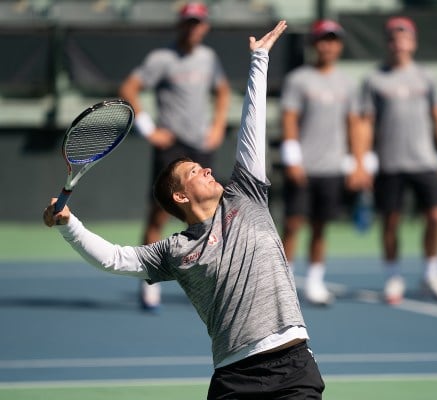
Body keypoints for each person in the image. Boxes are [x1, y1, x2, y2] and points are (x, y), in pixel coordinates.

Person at [44, 21, 325, 399]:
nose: (208, 168)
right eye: (195, 171)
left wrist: (259, 59)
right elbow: (115, 258)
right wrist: (68, 224)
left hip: (293, 366)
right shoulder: (174, 250)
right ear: (179, 197)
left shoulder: (247, 196)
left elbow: (251, 130)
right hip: (234, 377)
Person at [119, 2, 231, 311]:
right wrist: (148, 129)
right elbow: (129, 88)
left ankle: (214, 277)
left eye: (199, 23)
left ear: (205, 27)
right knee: (158, 214)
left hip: (201, 147)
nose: (194, 28)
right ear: (180, 25)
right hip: (171, 148)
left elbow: (222, 91)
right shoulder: (161, 58)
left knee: (211, 216)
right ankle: (148, 279)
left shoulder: (209, 59)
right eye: (189, 22)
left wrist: (218, 126)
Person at [360, 16, 437, 305]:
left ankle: (431, 273)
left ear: (413, 42)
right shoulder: (373, 79)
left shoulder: (426, 77)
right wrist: (363, 161)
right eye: (393, 37)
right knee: (390, 221)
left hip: (425, 161)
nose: (398, 42)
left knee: (436, 216)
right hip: (390, 163)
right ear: (387, 43)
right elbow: (366, 122)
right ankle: (393, 277)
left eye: (404, 37)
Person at [279, 19, 364, 306]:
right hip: (303, 167)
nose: (328, 45)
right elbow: (289, 119)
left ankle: (315, 282)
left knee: (320, 226)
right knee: (292, 224)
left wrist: (357, 162)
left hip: (332, 167)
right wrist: (292, 158)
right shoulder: (299, 79)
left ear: (339, 45)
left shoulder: (348, 84)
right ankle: (283, 285)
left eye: (333, 39)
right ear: (314, 44)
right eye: (323, 39)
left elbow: (354, 124)